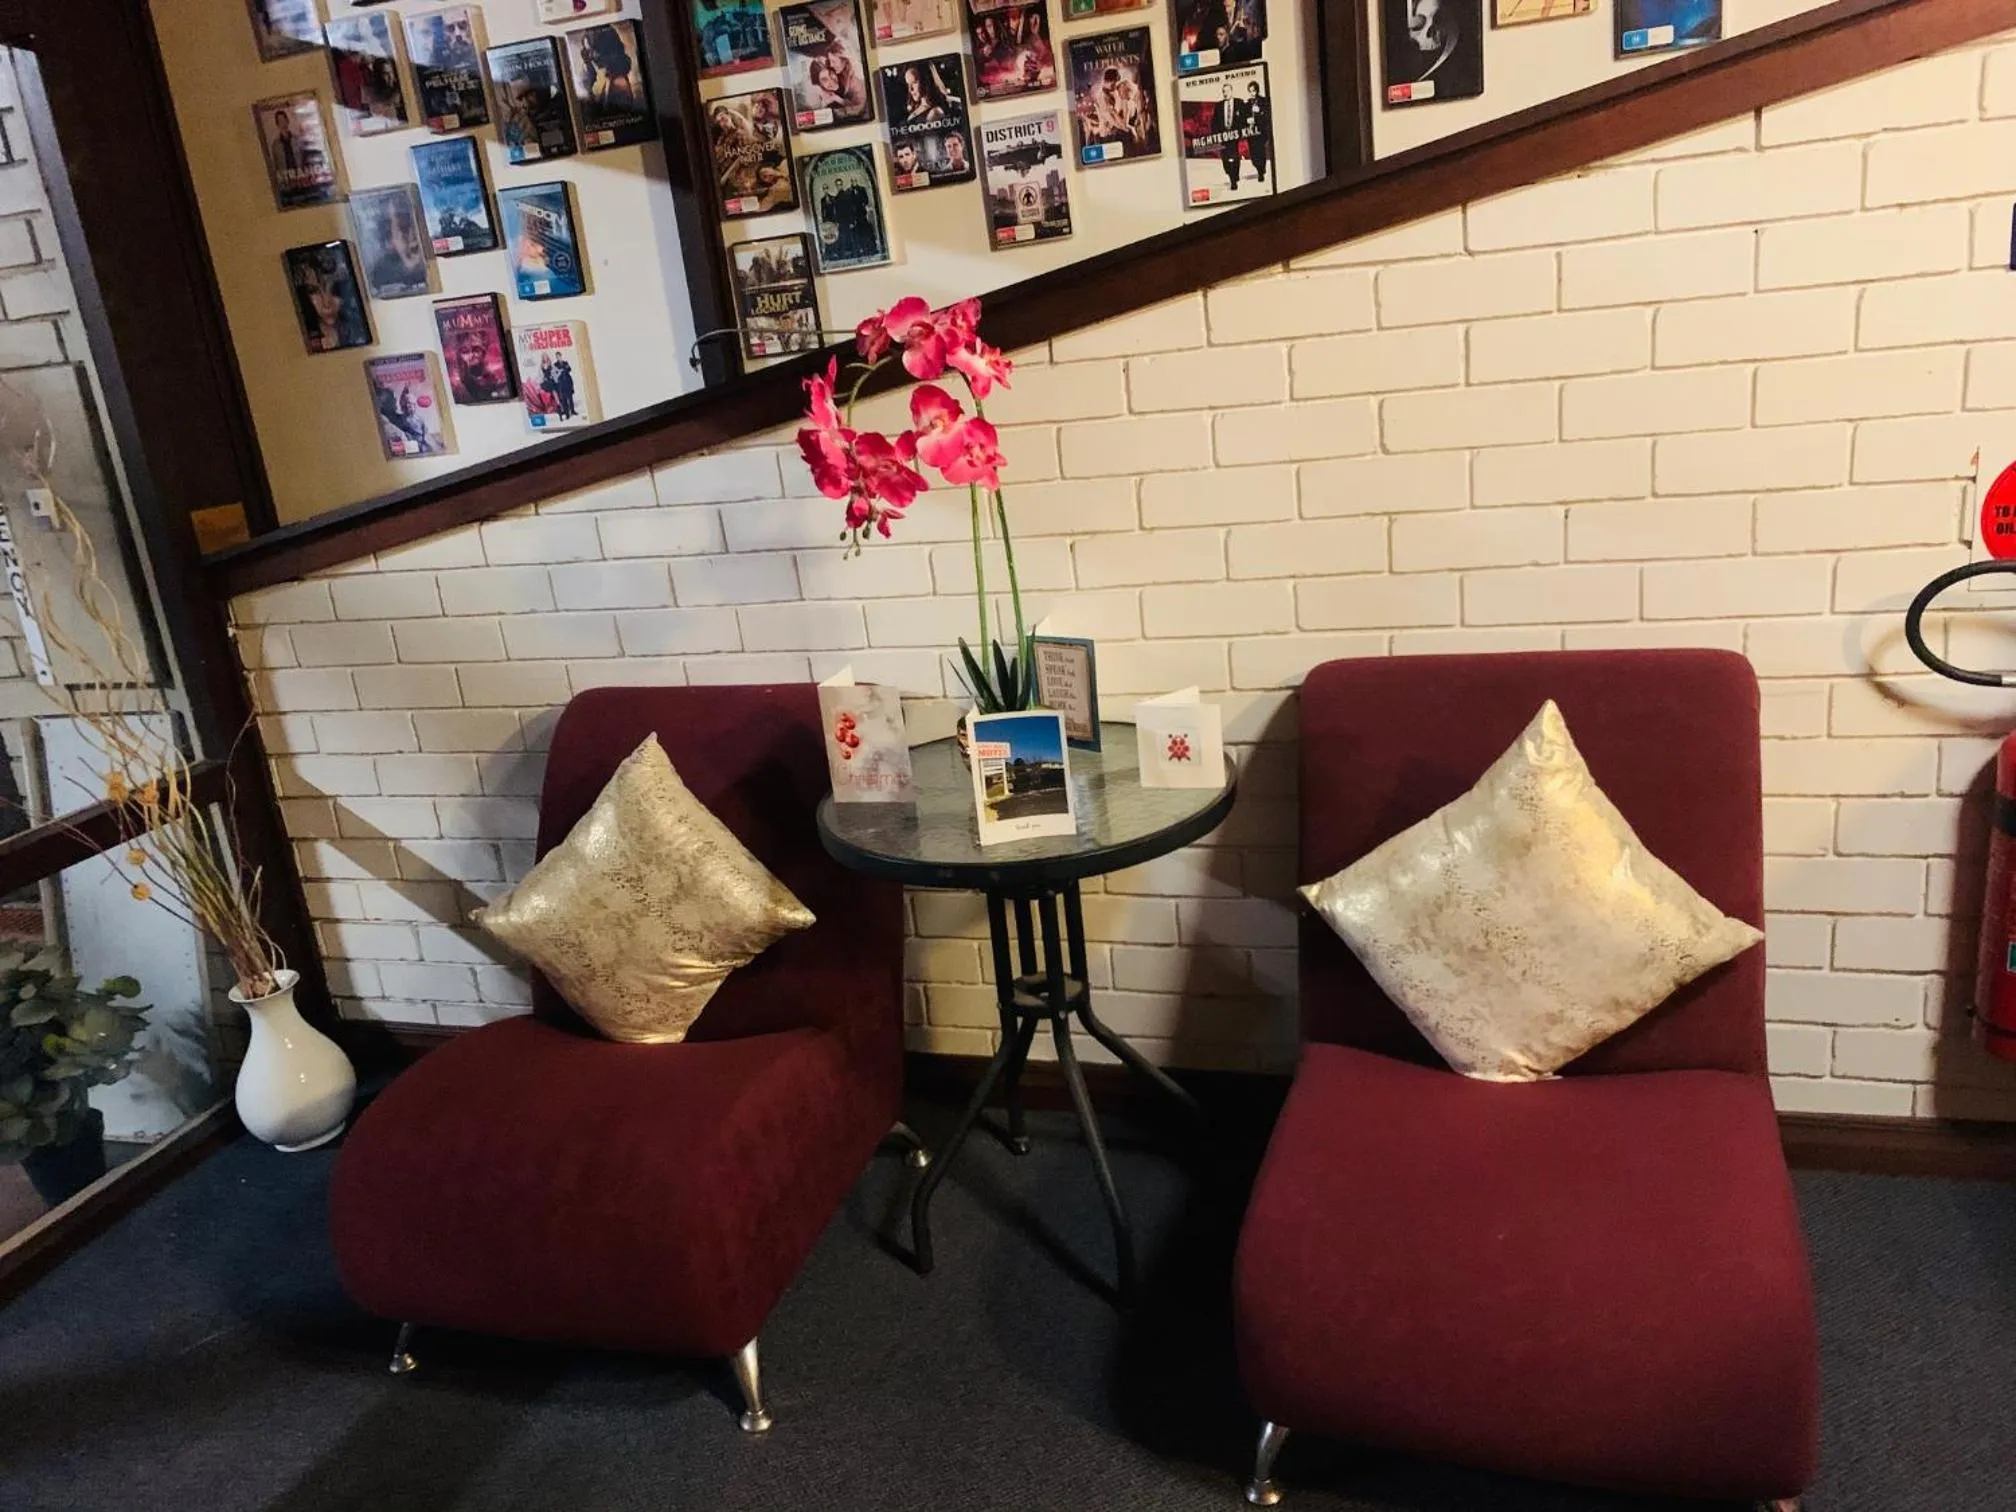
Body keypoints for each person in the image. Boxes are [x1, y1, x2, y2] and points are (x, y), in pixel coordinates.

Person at [1215, 79, 1244, 191]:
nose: (1225, 93)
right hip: (1223, 136)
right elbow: (1214, 121)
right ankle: (1231, 173)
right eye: (1223, 91)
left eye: (1227, 91)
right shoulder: (1219, 105)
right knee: (1225, 159)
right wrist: (1216, 135)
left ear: (1232, 91)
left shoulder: (1239, 103)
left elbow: (1244, 117)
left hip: (1235, 135)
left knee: (1234, 156)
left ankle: (1233, 180)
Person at [1242, 78, 1270, 183]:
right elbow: (1244, 117)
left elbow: (1267, 115)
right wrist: (1247, 120)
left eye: (1253, 91)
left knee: (1260, 152)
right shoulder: (1247, 103)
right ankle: (1259, 168)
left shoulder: (1263, 101)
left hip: (1261, 131)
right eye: (1250, 91)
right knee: (1253, 154)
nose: (1252, 93)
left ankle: (1260, 172)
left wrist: (1259, 112)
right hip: (1251, 133)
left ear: (1257, 90)